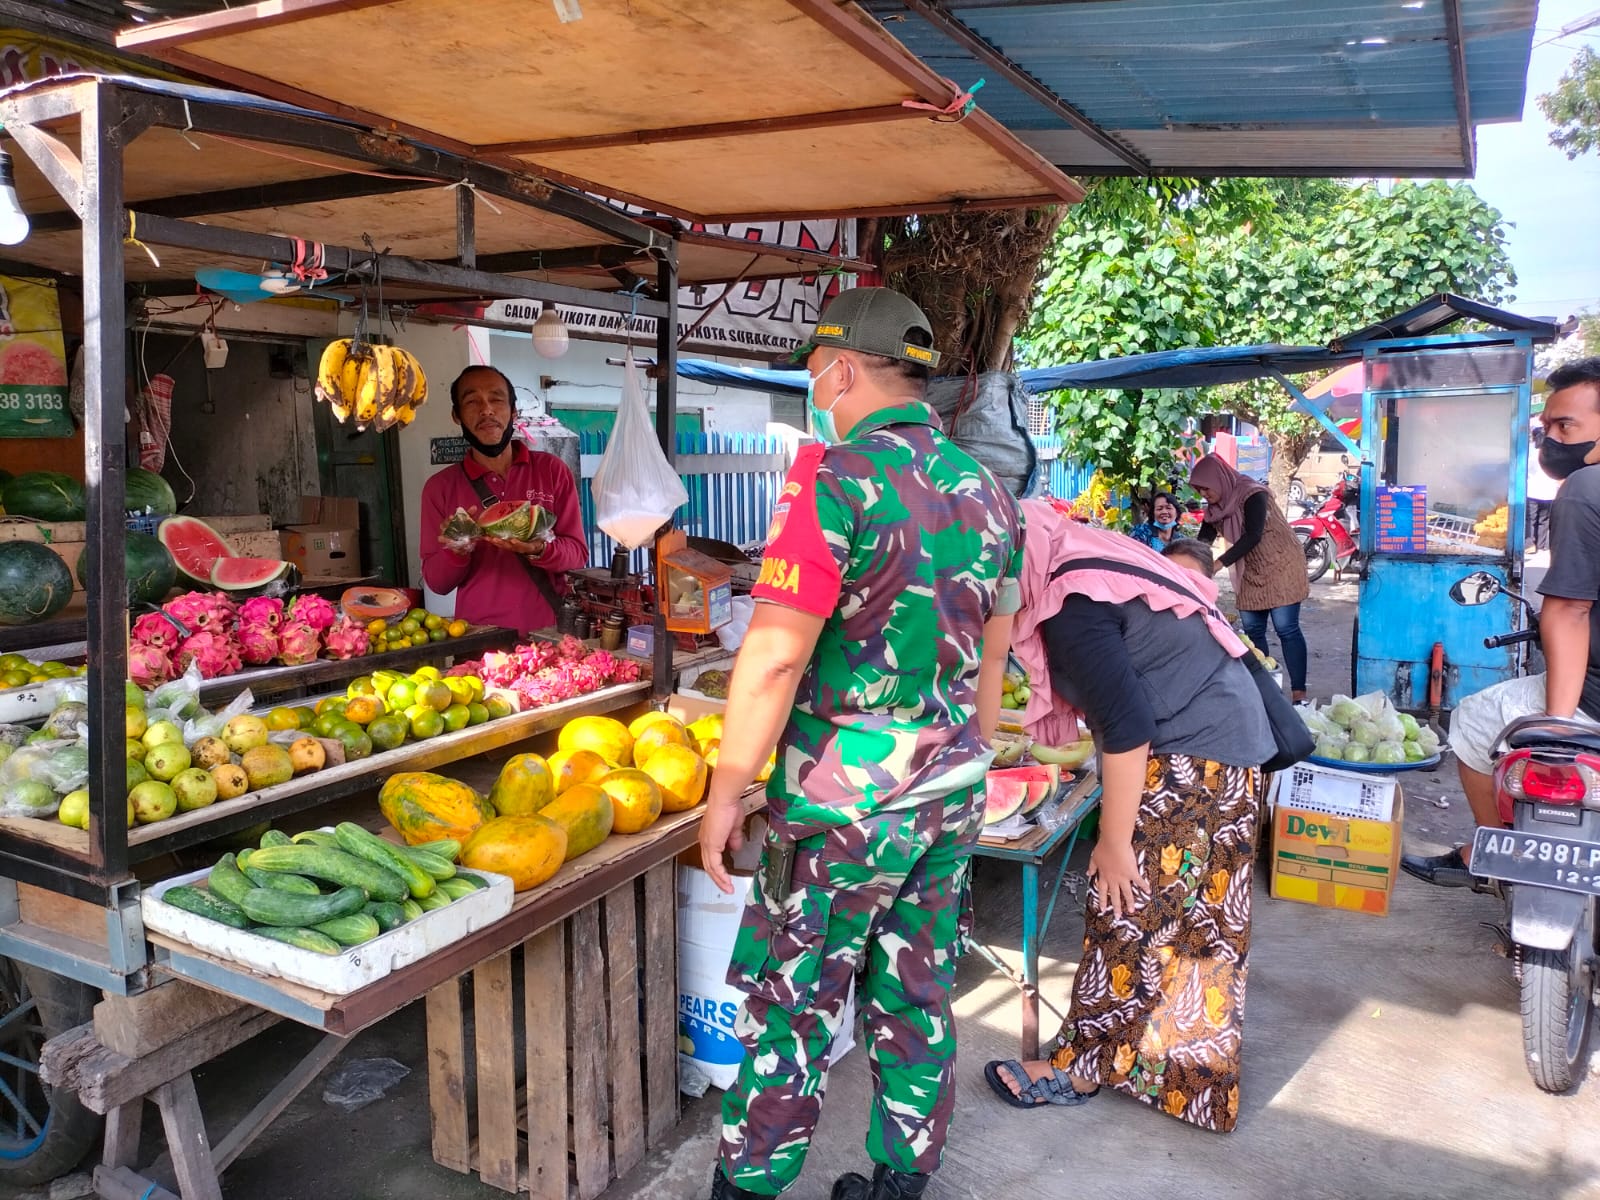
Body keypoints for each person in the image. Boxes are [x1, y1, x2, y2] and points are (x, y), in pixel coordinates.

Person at [697, 287, 1025, 1200]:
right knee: (915, 994)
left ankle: (748, 1188)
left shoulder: (832, 478)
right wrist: (960, 763)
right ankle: (898, 1185)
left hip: (845, 810)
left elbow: (771, 658)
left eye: (815, 374)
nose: (817, 391)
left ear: (842, 368)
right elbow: (990, 669)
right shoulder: (989, 493)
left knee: (794, 1008)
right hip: (949, 795)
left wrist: (728, 790)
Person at [984, 501, 1274, 1132]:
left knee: (1125, 902)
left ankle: (1080, 1067)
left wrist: (1114, 841)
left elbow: (1127, 724)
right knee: (1197, 921)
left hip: (1197, 751)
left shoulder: (1069, 605)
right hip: (1224, 741)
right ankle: (1188, 1083)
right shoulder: (1067, 554)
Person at [1403, 357, 1600, 887]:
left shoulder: (1586, 488)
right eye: (1546, 428)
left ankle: (1495, 858)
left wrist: (1559, 728)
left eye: (1566, 427)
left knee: (1472, 718)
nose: (1551, 441)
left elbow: (1568, 608)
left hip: (1593, 700)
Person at [419, 365, 587, 633]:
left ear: (514, 411)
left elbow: (577, 556)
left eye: (496, 399)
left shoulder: (552, 471)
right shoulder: (439, 488)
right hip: (478, 639)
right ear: (456, 415)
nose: (486, 410)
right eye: (472, 401)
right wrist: (457, 550)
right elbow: (437, 584)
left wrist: (539, 549)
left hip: (550, 634)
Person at [1191, 454, 1311, 702]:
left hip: (1282, 563)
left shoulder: (1253, 494)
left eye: (1206, 487)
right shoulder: (1215, 511)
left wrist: (1218, 564)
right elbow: (1202, 543)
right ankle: (1266, 692)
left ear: (1219, 479)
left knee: (1286, 628)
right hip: (1250, 568)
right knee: (1253, 630)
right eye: (1198, 489)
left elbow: (1253, 534)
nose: (1203, 493)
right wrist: (1187, 564)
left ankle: (1299, 694)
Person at [1527, 420, 1559, 553]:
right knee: (1544, 519)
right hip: (1549, 491)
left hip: (1532, 490)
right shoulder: (1554, 451)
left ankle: (1530, 544)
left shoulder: (1530, 452)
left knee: (1530, 519)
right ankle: (1542, 545)